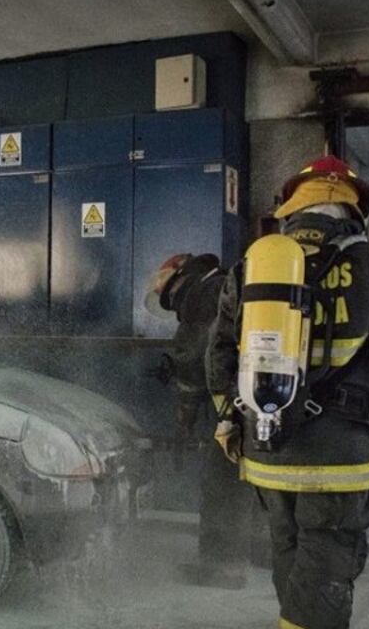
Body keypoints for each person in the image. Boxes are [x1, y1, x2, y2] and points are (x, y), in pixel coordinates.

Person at [206, 156, 369, 629]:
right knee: (327, 571)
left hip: (268, 446)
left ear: (293, 204)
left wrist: (227, 420)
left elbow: (219, 352)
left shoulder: (253, 268)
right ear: (355, 208)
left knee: (291, 556)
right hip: (342, 457)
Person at [146, 252, 251, 589]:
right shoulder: (222, 285)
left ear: (179, 278)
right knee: (247, 481)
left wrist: (186, 413)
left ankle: (220, 565)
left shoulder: (200, 296)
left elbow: (194, 361)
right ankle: (255, 551)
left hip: (235, 407)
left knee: (221, 484)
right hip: (259, 398)